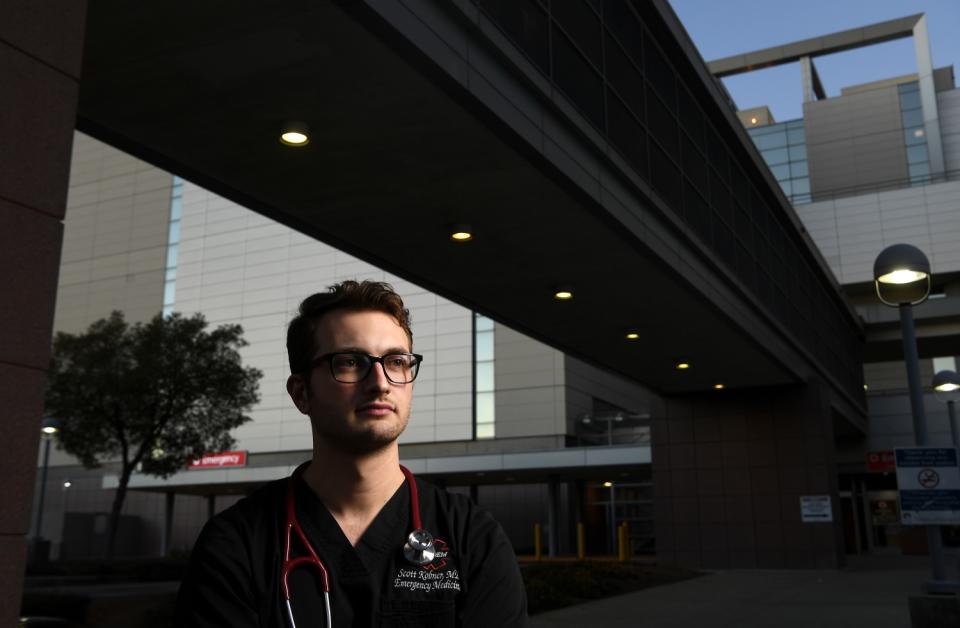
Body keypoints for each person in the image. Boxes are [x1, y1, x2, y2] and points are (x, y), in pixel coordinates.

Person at [175, 280, 528, 627]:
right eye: (349, 362)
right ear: (301, 393)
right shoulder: (237, 542)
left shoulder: (472, 536)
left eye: (396, 361)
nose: (380, 381)